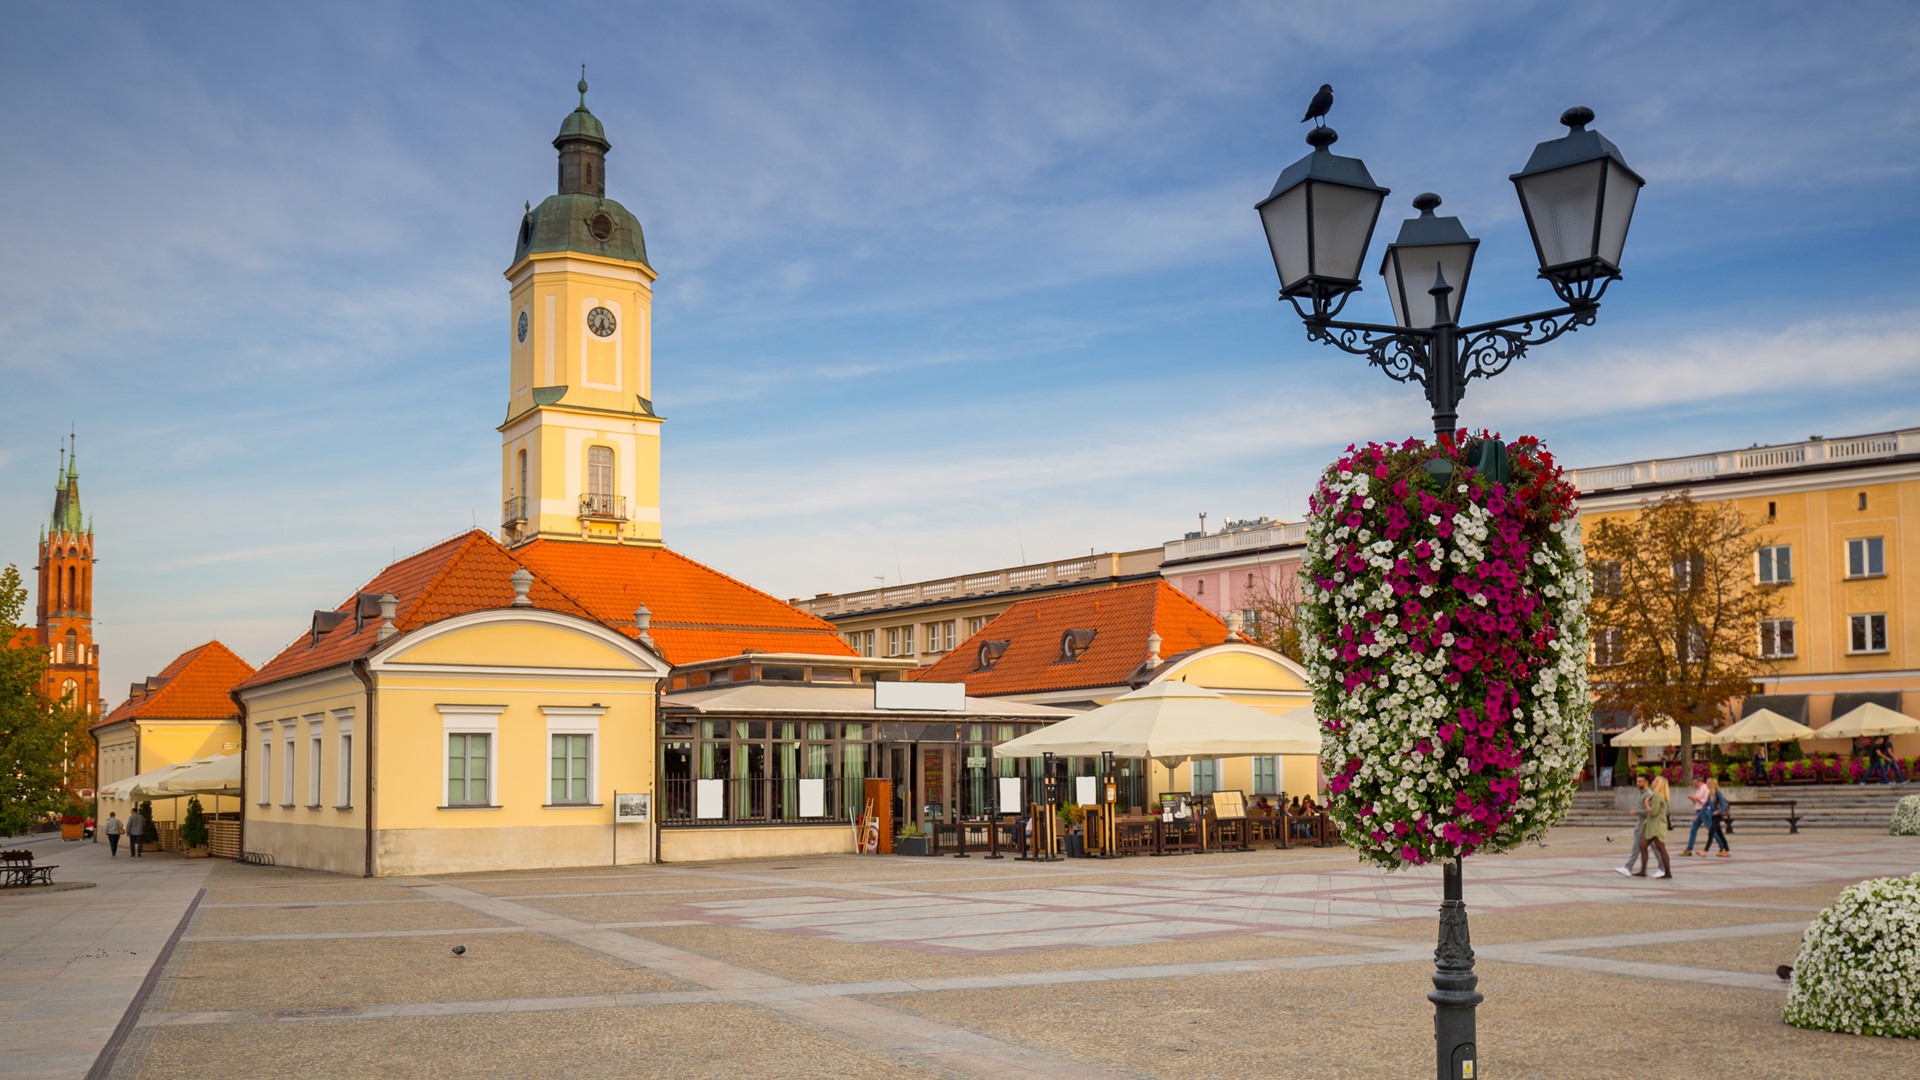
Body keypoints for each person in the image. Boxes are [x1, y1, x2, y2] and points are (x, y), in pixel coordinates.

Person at [1634, 776, 1673, 879]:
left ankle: (1668, 872)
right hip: (1653, 826)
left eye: (1655, 781)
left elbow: (1653, 812)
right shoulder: (1658, 795)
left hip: (1657, 826)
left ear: (1658, 783)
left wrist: (1647, 803)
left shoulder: (1657, 796)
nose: (1652, 782)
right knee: (1643, 845)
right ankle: (1643, 871)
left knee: (1661, 848)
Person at [1615, 775, 1650, 875]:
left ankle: (1629, 867)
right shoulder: (1642, 793)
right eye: (1637, 781)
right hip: (1641, 824)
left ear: (1646, 782)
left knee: (1656, 848)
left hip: (1647, 825)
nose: (1637, 784)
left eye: (1640, 782)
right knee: (1641, 847)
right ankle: (1634, 868)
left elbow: (1650, 811)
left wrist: (1636, 812)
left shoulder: (1648, 794)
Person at [1681, 776, 1713, 856]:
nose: (1693, 784)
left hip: (1704, 812)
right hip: (1698, 811)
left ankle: (1722, 846)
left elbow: (1705, 802)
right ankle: (1689, 848)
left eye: (1694, 782)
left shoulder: (1706, 789)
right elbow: (1697, 802)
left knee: (1712, 830)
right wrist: (1693, 800)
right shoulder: (1698, 790)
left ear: (1698, 781)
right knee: (1693, 830)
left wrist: (1696, 799)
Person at [1703, 777, 1731, 858]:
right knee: (1720, 834)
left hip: (1718, 816)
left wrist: (1717, 811)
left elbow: (1724, 805)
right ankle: (1728, 851)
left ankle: (1705, 851)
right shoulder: (1711, 794)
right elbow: (1707, 805)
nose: (1706, 785)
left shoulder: (1718, 793)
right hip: (1714, 816)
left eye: (1708, 783)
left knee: (1711, 833)